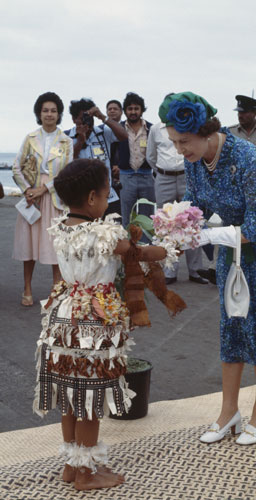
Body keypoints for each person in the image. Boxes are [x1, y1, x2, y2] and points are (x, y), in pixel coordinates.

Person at [158, 91, 256, 445]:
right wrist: (176, 225)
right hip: (235, 246)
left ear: (204, 131)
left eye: (184, 141)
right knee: (232, 323)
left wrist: (207, 235)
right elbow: (197, 206)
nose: (180, 149)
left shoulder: (246, 156)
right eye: (174, 142)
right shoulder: (195, 161)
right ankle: (228, 412)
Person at [33, 158, 168, 491]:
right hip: (93, 321)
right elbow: (136, 253)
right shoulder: (104, 232)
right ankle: (87, 474)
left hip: (63, 317)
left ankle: (71, 465)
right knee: (89, 400)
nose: (110, 197)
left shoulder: (61, 226)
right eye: (108, 191)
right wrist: (167, 247)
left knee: (70, 396)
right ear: (93, 198)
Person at [12, 91, 73, 306]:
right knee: (29, 246)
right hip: (31, 199)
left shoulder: (66, 141)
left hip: (54, 198)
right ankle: (27, 289)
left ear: (59, 114)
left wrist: (44, 188)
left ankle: (56, 291)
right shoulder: (30, 138)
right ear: (39, 113)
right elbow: (16, 166)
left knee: (55, 245)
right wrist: (28, 189)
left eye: (53, 111)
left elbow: (67, 173)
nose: (49, 114)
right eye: (45, 110)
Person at [146, 119, 207, 285]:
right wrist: (163, 170)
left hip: (186, 176)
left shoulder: (187, 126)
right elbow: (151, 156)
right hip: (164, 177)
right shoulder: (155, 129)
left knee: (192, 222)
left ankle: (196, 270)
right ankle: (169, 271)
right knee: (166, 223)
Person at [64, 98, 128, 216]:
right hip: (81, 200)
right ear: (74, 119)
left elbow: (124, 136)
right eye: (82, 118)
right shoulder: (66, 137)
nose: (86, 121)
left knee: (112, 233)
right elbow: (66, 165)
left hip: (107, 198)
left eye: (89, 117)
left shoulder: (103, 132)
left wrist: (103, 117)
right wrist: (79, 142)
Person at [118, 92, 155, 228]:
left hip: (147, 176)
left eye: (136, 109)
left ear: (142, 110)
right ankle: (128, 246)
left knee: (147, 216)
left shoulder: (151, 128)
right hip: (126, 177)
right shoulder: (119, 128)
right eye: (130, 109)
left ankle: (146, 247)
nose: (133, 112)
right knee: (126, 215)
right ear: (125, 111)